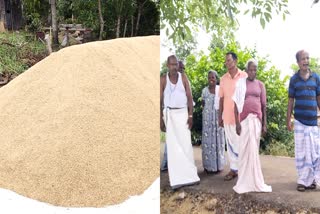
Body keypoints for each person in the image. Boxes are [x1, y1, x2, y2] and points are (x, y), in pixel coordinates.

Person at [232, 59, 272, 193]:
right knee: (243, 150)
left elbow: (264, 106)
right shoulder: (241, 84)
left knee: (253, 150)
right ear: (246, 70)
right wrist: (237, 123)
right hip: (244, 121)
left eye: (255, 69)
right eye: (250, 69)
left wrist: (264, 124)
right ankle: (244, 180)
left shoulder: (261, 85)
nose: (252, 72)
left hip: (256, 121)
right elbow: (236, 104)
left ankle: (255, 180)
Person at [160, 55, 200, 189]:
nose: (174, 67)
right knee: (173, 147)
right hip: (169, 115)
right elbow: (159, 100)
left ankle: (190, 176)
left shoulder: (183, 78)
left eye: (176, 64)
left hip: (182, 114)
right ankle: (177, 180)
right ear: (167, 65)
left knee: (186, 145)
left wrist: (190, 115)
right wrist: (160, 118)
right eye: (172, 64)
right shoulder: (163, 80)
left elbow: (190, 97)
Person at [287, 50, 320, 192]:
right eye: (303, 59)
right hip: (299, 121)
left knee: (314, 152)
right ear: (298, 62)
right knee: (301, 152)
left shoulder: (316, 78)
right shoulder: (294, 79)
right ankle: (302, 181)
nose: (306, 61)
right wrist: (288, 119)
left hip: (313, 121)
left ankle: (312, 180)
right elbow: (290, 100)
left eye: (307, 58)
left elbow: (318, 98)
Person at [219, 52, 248, 181]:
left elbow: (247, 97)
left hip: (241, 118)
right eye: (226, 61)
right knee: (230, 145)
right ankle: (233, 170)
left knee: (242, 143)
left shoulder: (244, 76)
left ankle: (244, 169)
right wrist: (220, 116)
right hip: (227, 116)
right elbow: (221, 98)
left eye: (229, 60)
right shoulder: (223, 78)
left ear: (235, 61)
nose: (227, 63)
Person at [201, 70, 225, 173]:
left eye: (213, 77)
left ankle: (218, 166)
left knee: (218, 141)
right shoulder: (204, 91)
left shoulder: (220, 90)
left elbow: (223, 105)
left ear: (216, 79)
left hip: (217, 120)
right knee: (208, 142)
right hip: (207, 121)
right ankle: (208, 166)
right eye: (209, 77)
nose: (211, 79)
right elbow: (203, 103)